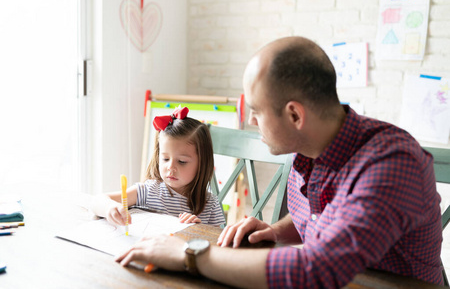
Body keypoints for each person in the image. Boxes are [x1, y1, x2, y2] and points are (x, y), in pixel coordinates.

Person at [115, 37, 443, 288]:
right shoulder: (309, 145)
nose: (253, 121)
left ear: (294, 114)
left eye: (257, 111)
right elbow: (329, 216)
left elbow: (319, 270)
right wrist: (274, 231)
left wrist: (191, 255)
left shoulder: (391, 164)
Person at [91, 106, 225, 227]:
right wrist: (110, 207)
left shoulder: (210, 205)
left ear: (202, 163)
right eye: (165, 159)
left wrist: (200, 231)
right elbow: (97, 201)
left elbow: (219, 245)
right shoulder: (148, 191)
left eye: (182, 161)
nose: (170, 167)